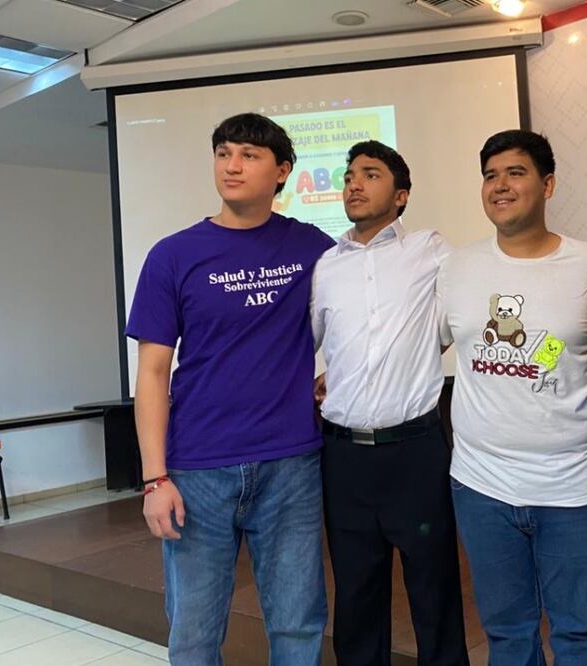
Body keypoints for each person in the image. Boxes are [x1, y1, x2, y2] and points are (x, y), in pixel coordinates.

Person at [127, 113, 333, 665]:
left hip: (290, 464)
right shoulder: (173, 255)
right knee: (194, 632)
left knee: (297, 624)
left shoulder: (314, 247)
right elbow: (151, 373)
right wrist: (153, 479)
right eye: (224, 153)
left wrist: (334, 375)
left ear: (283, 171)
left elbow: (360, 320)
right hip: (197, 468)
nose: (232, 166)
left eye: (249, 155)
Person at [437, 129, 587, 665]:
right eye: (490, 175)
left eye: (515, 172)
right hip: (481, 485)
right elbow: (413, 348)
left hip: (575, 487)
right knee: (507, 634)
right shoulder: (456, 267)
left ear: (548, 184)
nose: (500, 185)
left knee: (579, 632)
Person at [311, 140, 469, 666]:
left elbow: (457, 325)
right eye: (350, 174)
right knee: (355, 593)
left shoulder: (431, 250)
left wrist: (405, 355)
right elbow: (306, 343)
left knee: (434, 587)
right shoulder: (325, 266)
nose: (354, 183)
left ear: (400, 196)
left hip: (415, 450)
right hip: (344, 456)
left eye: (370, 174)